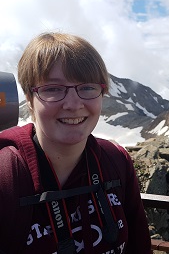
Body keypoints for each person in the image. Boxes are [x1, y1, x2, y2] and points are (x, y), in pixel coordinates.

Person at [0, 32, 152, 254]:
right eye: (52, 88)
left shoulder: (116, 161)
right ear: (29, 98)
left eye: (87, 87)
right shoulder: (6, 177)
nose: (73, 104)